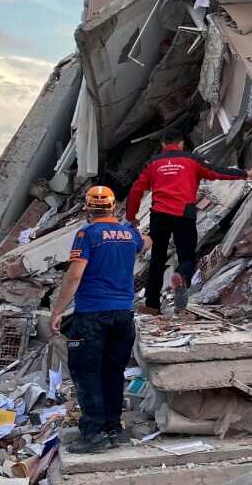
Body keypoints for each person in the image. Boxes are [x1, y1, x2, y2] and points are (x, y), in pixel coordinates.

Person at [51, 186, 148, 454]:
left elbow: (74, 275)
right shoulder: (129, 234)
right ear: (113, 207)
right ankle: (114, 430)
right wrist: (135, 229)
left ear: (88, 209)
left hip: (93, 315)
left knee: (86, 371)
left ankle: (93, 434)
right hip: (123, 315)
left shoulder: (87, 234)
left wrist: (58, 310)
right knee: (113, 372)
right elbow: (145, 243)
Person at [126, 130, 252, 314]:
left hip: (159, 215)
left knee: (157, 260)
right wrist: (245, 173)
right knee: (186, 256)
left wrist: (131, 216)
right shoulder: (192, 160)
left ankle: (151, 305)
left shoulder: (153, 163)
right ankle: (182, 276)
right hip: (184, 214)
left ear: (163, 145)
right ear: (181, 143)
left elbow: (136, 189)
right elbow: (217, 173)